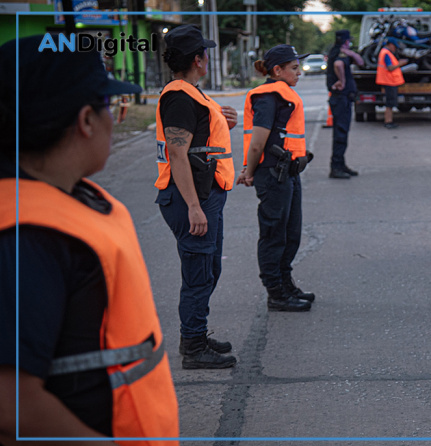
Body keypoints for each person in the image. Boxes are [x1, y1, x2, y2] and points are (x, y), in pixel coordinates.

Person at [0, 36, 179, 443]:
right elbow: (11, 406)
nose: (116, 119)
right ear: (85, 121)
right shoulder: (28, 234)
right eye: (111, 107)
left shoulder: (67, 199)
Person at [155, 24, 237, 369]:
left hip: (205, 194)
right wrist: (193, 207)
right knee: (199, 274)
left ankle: (197, 335)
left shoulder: (193, 93)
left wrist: (224, 120)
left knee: (208, 270)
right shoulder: (179, 96)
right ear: (199, 59)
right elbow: (177, 155)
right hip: (190, 198)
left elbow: (199, 141)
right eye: (205, 52)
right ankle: (193, 346)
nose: (208, 57)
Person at [235, 45, 315, 313]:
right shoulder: (268, 97)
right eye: (294, 68)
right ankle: (276, 293)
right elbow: (257, 143)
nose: (299, 72)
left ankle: (285, 283)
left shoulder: (283, 94)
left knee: (291, 233)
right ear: (277, 70)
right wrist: (248, 171)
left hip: (288, 172)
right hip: (272, 174)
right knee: (273, 235)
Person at [326, 29, 364, 179]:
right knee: (340, 134)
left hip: (343, 98)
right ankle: (336, 167)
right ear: (346, 41)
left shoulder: (340, 51)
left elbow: (360, 62)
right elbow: (338, 65)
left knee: (342, 133)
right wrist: (342, 81)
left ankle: (340, 164)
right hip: (340, 98)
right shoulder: (340, 53)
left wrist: (352, 54)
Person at [376, 37, 408, 129]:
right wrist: (400, 63)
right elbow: (390, 68)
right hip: (389, 81)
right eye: (394, 46)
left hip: (389, 81)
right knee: (390, 103)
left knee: (390, 103)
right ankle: (388, 121)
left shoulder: (384, 52)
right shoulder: (386, 53)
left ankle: (389, 121)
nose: (395, 48)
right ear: (390, 44)